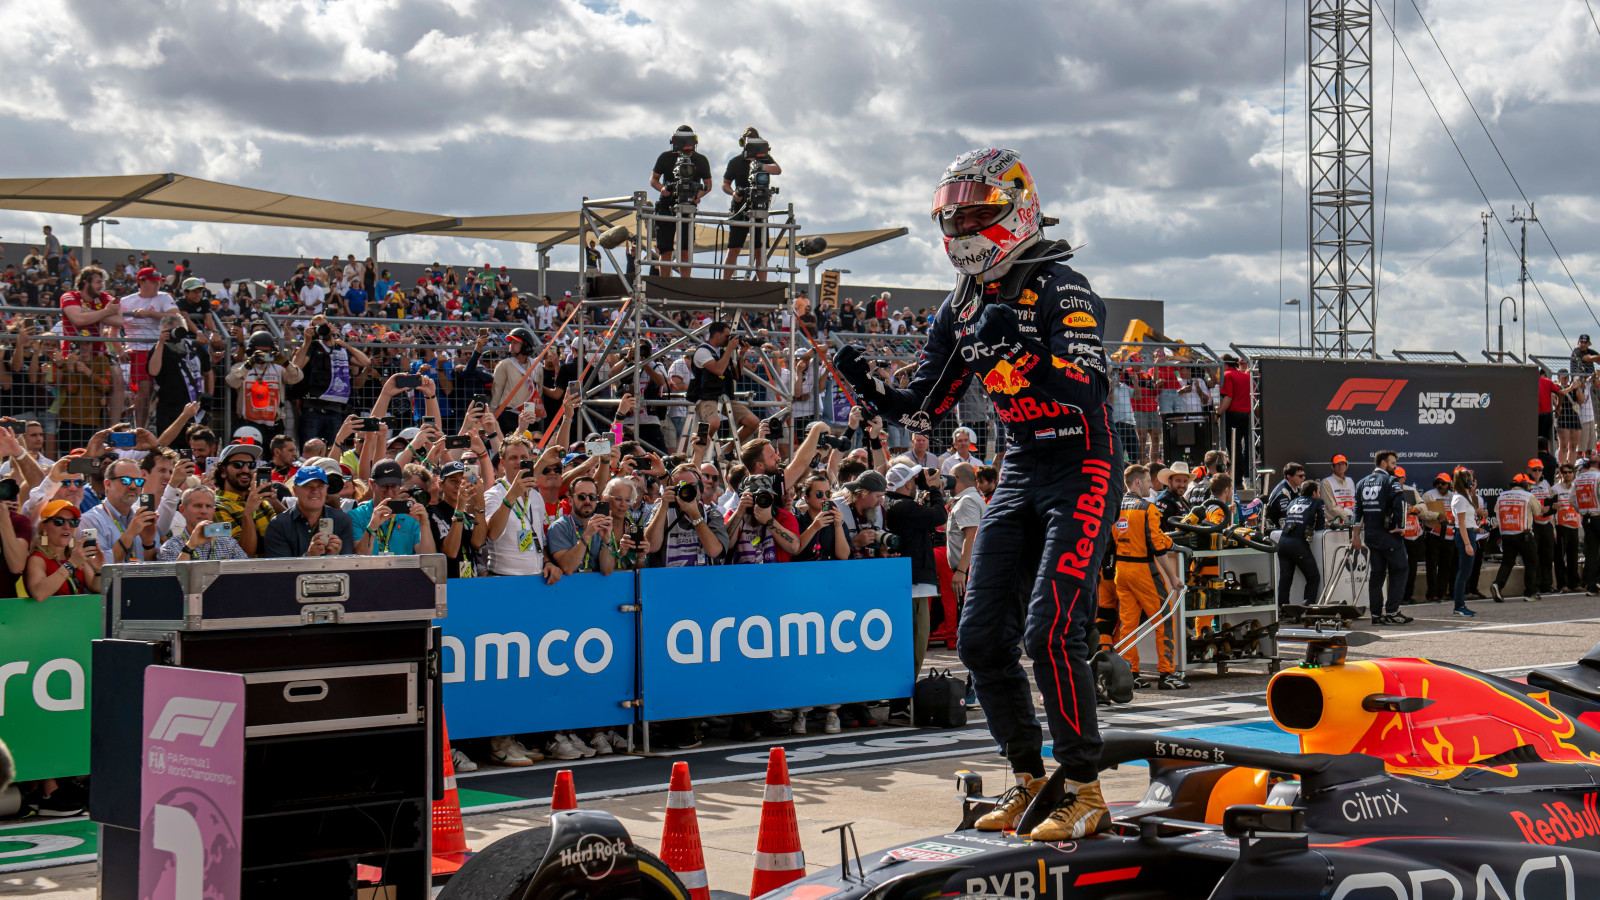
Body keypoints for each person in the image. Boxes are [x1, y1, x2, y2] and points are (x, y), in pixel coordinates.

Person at [834, 148, 1121, 841]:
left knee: (1052, 628)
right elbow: (926, 406)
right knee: (978, 637)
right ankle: (1029, 779)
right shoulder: (959, 305)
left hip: (1082, 464)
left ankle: (1084, 788)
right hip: (1020, 466)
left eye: (974, 208)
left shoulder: (1061, 285)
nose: (962, 221)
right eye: (953, 211)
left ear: (1016, 206)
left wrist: (1021, 356)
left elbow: (1088, 389)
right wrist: (870, 386)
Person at [882, 463, 949, 724]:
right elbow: (938, 516)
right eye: (914, 479)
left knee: (908, 643)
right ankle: (900, 706)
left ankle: (901, 703)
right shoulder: (903, 507)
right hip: (914, 581)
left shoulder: (889, 504)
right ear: (907, 484)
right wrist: (934, 490)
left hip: (904, 580)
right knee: (916, 645)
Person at [1112, 465, 1184, 690]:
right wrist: (1173, 577)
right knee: (1164, 619)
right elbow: (1157, 546)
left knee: (1128, 623)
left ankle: (1130, 671)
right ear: (1137, 483)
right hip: (1144, 570)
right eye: (1147, 481)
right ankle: (1166, 673)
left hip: (1121, 570)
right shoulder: (1148, 509)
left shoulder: (1115, 507)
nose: (1152, 485)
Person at [1352, 450, 1411, 626]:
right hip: (1388, 537)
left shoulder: (1361, 483)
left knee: (1377, 574)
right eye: (1393, 464)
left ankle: (1376, 614)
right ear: (1383, 464)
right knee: (1400, 569)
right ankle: (1392, 611)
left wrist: (1356, 536)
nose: (1395, 467)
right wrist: (1400, 527)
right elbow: (1400, 503)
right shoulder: (1391, 481)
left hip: (1371, 537)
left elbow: (1357, 512)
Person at [648, 125, 712, 277]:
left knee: (685, 249)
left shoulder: (700, 160)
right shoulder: (665, 157)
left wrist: (698, 196)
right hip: (666, 205)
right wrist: (663, 189)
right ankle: (665, 283)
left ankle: (685, 283)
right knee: (665, 249)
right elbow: (653, 179)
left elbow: (708, 184)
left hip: (688, 206)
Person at [119, 267, 178, 429]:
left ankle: (167, 427)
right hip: (137, 350)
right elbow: (113, 327)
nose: (156, 286)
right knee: (144, 392)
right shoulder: (126, 302)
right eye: (152, 282)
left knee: (168, 391)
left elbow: (176, 318)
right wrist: (118, 349)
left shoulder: (164, 297)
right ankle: (140, 429)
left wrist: (150, 314)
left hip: (162, 349)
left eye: (158, 282)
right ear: (140, 282)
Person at [721, 127, 782, 281]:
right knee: (734, 247)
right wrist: (733, 193)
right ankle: (725, 283)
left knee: (759, 250)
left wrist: (761, 166)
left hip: (759, 207)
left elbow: (777, 170)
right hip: (740, 208)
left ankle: (762, 284)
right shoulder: (735, 161)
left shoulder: (765, 159)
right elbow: (725, 184)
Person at [261, 466, 355, 557]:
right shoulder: (278, 525)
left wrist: (334, 557)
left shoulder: (343, 520)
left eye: (320, 486)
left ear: (327, 489)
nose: (315, 491)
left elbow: (349, 566)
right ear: (295, 490)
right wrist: (308, 557)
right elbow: (279, 570)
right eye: (308, 486)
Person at [689, 322, 760, 440]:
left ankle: (728, 450)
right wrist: (729, 350)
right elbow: (719, 370)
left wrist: (741, 355)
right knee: (714, 423)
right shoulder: (703, 351)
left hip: (723, 397)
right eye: (727, 336)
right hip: (705, 397)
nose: (729, 340)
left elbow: (736, 376)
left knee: (753, 422)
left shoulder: (721, 353)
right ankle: (699, 448)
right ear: (717, 335)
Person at [351, 460, 436, 556]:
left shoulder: (411, 515)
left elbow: (428, 559)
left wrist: (424, 524)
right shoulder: (356, 515)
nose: (389, 493)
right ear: (371, 484)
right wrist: (372, 527)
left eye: (394, 486)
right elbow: (360, 557)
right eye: (384, 486)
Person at [25, 500, 102, 598]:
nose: (67, 527)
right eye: (59, 521)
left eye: (72, 522)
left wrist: (98, 571)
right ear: (44, 527)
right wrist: (71, 564)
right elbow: (39, 593)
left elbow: (96, 588)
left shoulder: (75, 555)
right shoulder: (37, 559)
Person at [158, 487, 248, 561]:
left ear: (213, 511)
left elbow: (246, 575)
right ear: (182, 510)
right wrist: (189, 547)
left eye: (208, 506)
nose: (204, 511)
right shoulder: (170, 547)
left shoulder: (229, 543)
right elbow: (175, 580)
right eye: (198, 506)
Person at [1491, 474, 1542, 603]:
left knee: (1507, 562)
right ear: (1524, 484)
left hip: (1506, 534)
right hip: (1523, 534)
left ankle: (1498, 584)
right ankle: (1530, 593)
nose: (1530, 487)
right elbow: (1537, 511)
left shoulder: (1502, 496)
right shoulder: (1528, 496)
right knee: (1531, 562)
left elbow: (1497, 515)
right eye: (1529, 484)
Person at [1277, 481, 1325, 615]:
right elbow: (1321, 525)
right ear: (1314, 493)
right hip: (1297, 543)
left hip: (1282, 542)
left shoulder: (1293, 501)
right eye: (1318, 492)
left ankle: (1282, 610)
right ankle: (1308, 609)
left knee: (1285, 579)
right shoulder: (1317, 502)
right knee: (1313, 577)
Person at [1217, 354, 1252, 479]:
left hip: (1233, 415)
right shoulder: (1246, 377)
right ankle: (1248, 476)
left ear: (1224, 364)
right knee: (1248, 448)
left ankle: (1236, 479)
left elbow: (1228, 398)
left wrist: (1218, 414)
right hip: (1247, 415)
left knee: (1234, 447)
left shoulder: (1227, 375)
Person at [1320, 453, 1355, 523]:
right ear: (1333, 466)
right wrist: (1349, 516)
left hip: (1350, 522)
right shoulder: (1326, 482)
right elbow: (1331, 507)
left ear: (1346, 465)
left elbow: (1354, 502)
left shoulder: (1350, 481)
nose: (1340, 466)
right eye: (1337, 464)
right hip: (1334, 524)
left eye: (1343, 464)